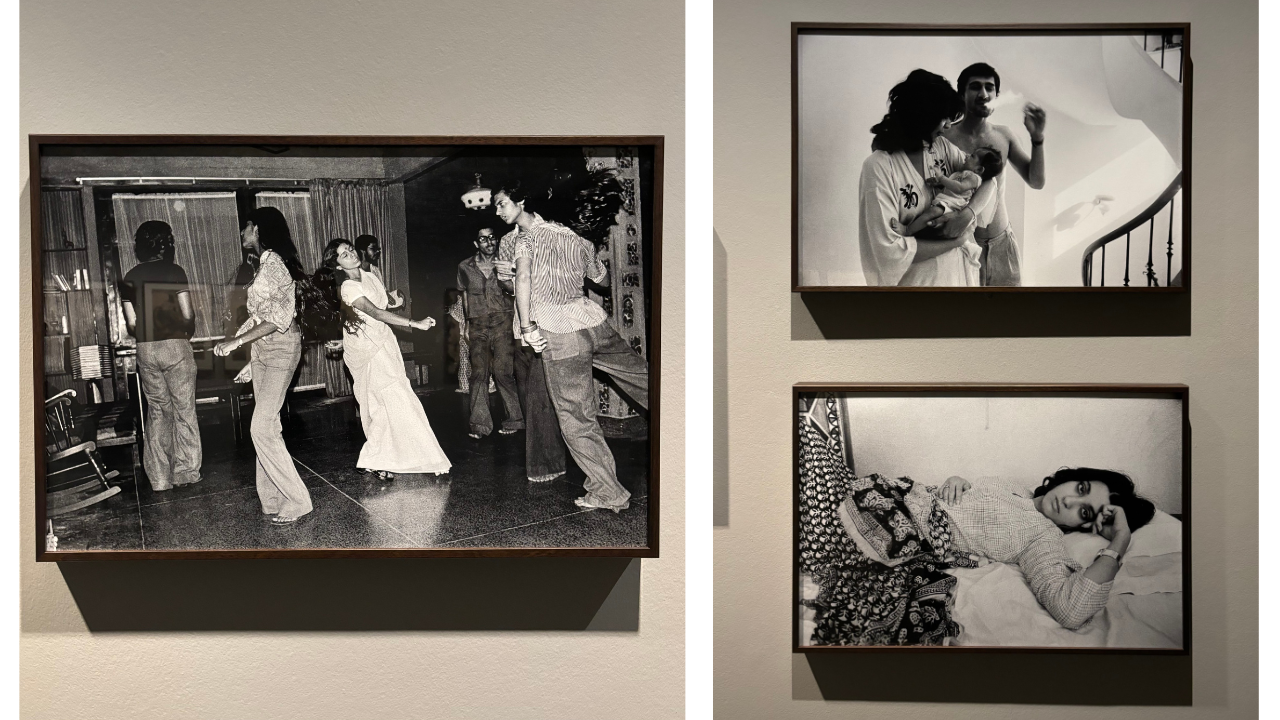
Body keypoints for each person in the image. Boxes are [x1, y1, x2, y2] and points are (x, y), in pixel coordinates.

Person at [497, 182, 649, 512]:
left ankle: (609, 493)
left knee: (578, 419)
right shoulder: (579, 238)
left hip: (560, 333)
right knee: (644, 379)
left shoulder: (528, 238)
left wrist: (526, 327)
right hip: (594, 323)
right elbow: (603, 282)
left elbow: (522, 280)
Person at [926, 468, 1155, 630]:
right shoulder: (1010, 485)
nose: (1069, 501)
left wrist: (1120, 539)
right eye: (1081, 488)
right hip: (908, 494)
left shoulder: (1043, 539)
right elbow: (967, 498)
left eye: (1084, 511)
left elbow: (1070, 610)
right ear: (1072, 478)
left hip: (911, 532)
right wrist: (956, 480)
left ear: (1085, 525)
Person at [213, 206, 316, 525]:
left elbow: (279, 319)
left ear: (257, 230)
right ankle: (271, 498)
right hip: (263, 352)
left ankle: (299, 500)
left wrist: (235, 343)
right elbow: (261, 316)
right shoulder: (264, 265)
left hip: (281, 349)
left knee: (261, 425)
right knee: (267, 427)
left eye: (246, 227)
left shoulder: (274, 264)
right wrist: (249, 356)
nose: (242, 233)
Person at [316, 239, 451, 479]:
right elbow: (374, 313)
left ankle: (380, 457)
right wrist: (414, 323)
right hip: (367, 351)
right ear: (336, 265)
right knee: (381, 402)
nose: (350, 254)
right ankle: (401, 457)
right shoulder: (347, 287)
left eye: (350, 249)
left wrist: (395, 298)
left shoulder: (370, 277)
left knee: (388, 400)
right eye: (343, 254)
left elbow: (379, 306)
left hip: (383, 343)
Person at [858, 69, 997, 286]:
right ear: (922, 118)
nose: (949, 126)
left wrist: (967, 214)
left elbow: (988, 180)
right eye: (944, 119)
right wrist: (957, 240)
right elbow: (888, 249)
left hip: (959, 279)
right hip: (917, 291)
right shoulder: (880, 167)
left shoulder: (939, 147)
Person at [943, 62, 1047, 286]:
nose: (983, 93)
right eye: (975, 87)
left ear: (996, 95)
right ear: (962, 94)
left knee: (1008, 317)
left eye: (989, 88)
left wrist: (1037, 138)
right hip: (961, 246)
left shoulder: (1004, 135)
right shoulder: (945, 137)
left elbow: (1036, 182)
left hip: (1002, 245)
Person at [119, 220, 202, 491]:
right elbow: (188, 314)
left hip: (146, 349)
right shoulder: (174, 270)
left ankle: (159, 479)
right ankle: (185, 472)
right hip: (175, 345)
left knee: (157, 411)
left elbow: (131, 324)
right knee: (184, 410)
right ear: (165, 243)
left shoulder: (129, 276)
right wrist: (183, 333)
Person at [495, 187, 567, 484]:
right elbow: (509, 289)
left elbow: (570, 275)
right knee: (535, 394)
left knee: (548, 394)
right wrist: (509, 279)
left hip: (555, 321)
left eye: (501, 204)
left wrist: (523, 271)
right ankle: (550, 460)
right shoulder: (507, 240)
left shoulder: (556, 232)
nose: (497, 212)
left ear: (521, 201)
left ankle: (548, 462)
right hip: (523, 326)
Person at [458, 223, 523, 439]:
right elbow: (465, 295)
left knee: (503, 371)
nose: (489, 242)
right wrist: (467, 323)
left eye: (492, 237)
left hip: (503, 320)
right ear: (476, 243)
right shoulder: (464, 266)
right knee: (479, 373)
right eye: (483, 239)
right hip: (477, 323)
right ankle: (479, 425)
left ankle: (515, 419)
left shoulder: (507, 263)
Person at [354, 235, 404, 309]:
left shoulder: (375, 270)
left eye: (377, 249)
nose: (377, 251)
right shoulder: (355, 273)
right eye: (373, 249)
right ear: (362, 250)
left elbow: (382, 291)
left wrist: (393, 295)